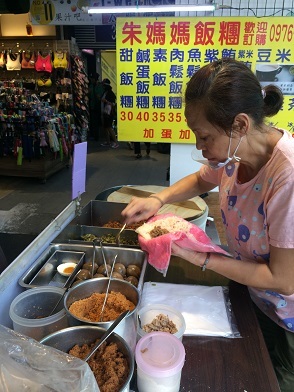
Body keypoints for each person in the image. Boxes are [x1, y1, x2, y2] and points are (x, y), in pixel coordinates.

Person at [122, 58, 294, 392]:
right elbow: (203, 179)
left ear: (240, 125)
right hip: (255, 296)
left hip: (289, 317)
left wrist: (200, 258)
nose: (200, 147)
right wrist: (159, 200)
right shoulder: (235, 154)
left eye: (204, 137)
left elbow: (283, 279)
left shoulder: (286, 177)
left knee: (274, 380)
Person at [100, 78, 118, 148]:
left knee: (109, 127)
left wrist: (106, 101)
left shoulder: (111, 93)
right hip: (105, 112)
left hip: (109, 113)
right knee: (105, 127)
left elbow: (113, 104)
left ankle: (115, 142)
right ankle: (108, 142)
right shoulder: (105, 92)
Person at [88, 72, 103, 140]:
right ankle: (94, 135)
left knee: (97, 121)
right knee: (93, 121)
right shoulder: (91, 85)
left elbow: (99, 96)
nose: (91, 80)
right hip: (92, 105)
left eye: (92, 79)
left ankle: (97, 136)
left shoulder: (99, 86)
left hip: (98, 106)